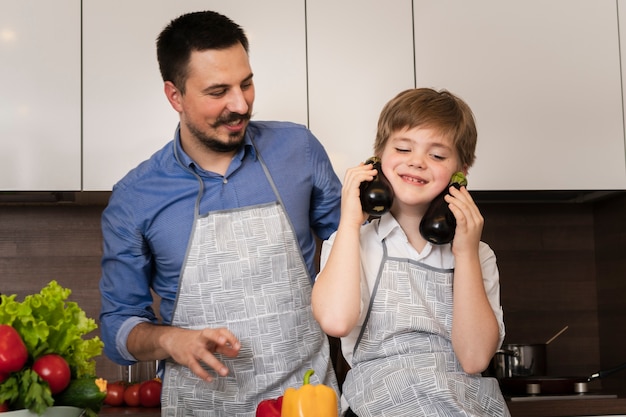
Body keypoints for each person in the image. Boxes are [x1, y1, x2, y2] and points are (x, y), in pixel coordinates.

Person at [98, 10, 342, 415]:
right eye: (218, 91)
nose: (240, 103)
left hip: (306, 400)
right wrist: (169, 340)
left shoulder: (298, 150)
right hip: (199, 405)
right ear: (175, 96)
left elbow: (358, 252)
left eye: (246, 83)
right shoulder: (135, 197)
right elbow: (118, 326)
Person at [311, 88, 510, 416]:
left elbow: (474, 358)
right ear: (376, 158)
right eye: (403, 148)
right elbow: (335, 320)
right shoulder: (351, 242)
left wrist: (466, 254)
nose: (417, 162)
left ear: (461, 171)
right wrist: (348, 223)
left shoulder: (478, 255)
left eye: (438, 155)